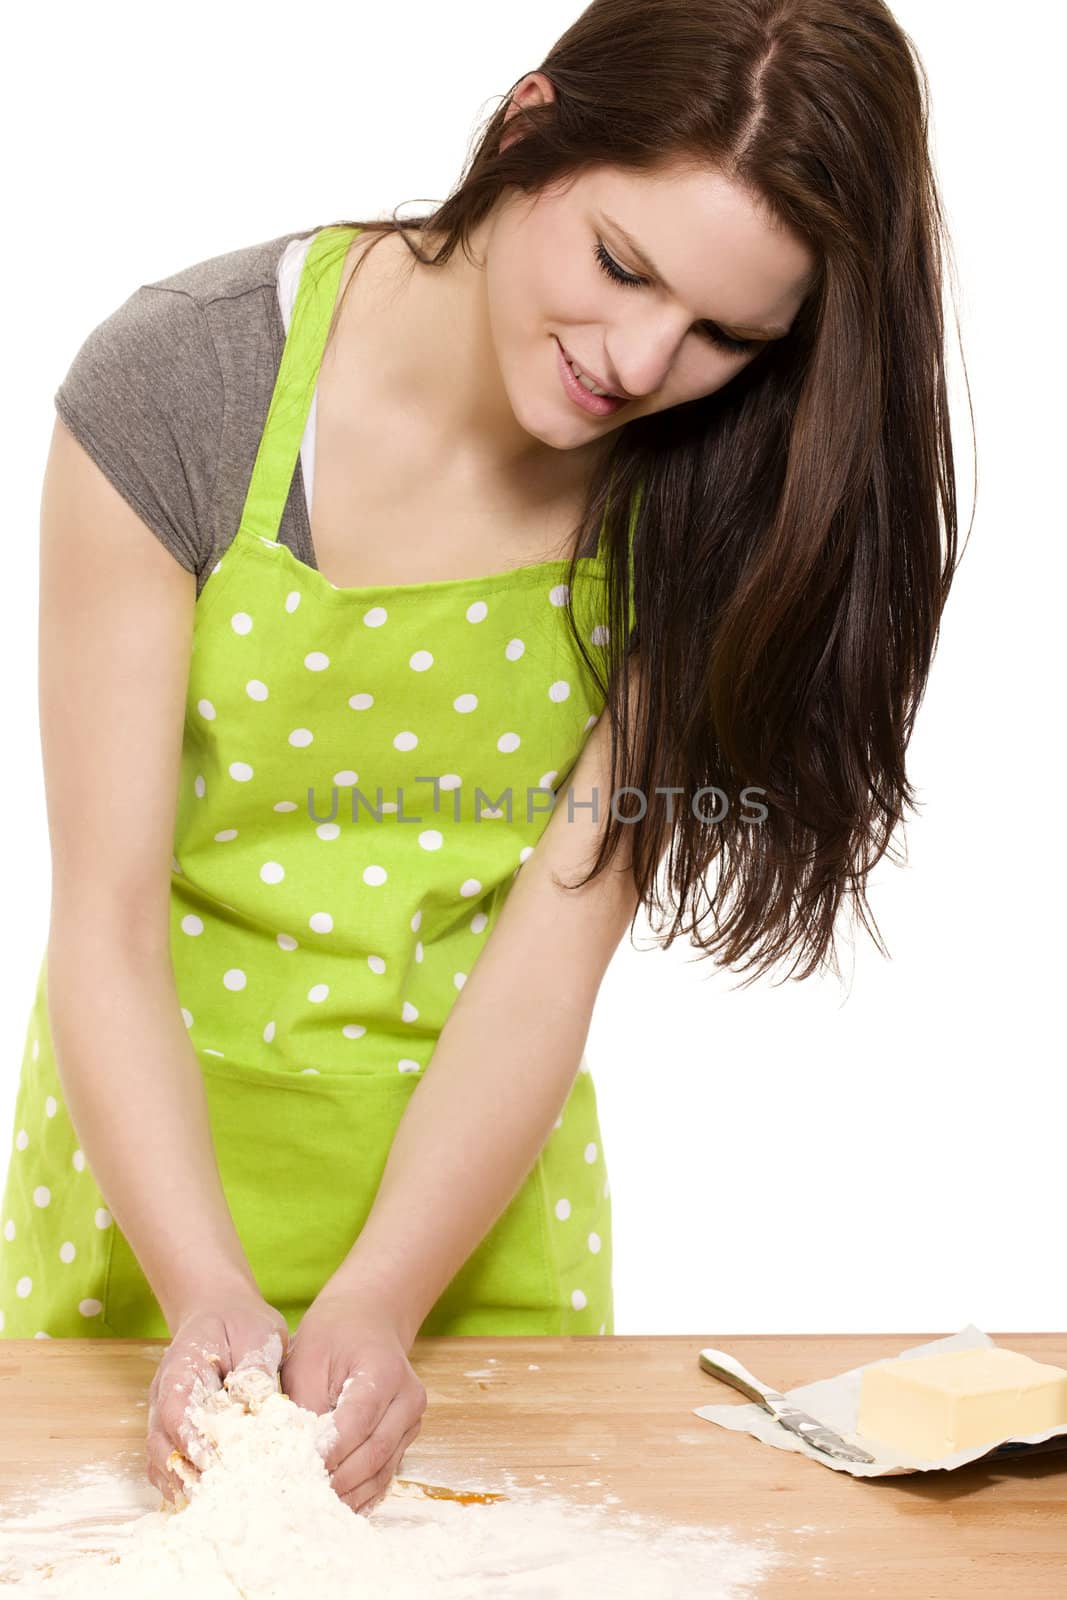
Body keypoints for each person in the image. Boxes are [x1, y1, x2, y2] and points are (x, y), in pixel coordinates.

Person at [0, 0, 964, 1517]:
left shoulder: (704, 508)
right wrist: (201, 1291)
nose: (642, 360)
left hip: (469, 1232)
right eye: (621, 264)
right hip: (146, 1221)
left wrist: (384, 1300)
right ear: (526, 130)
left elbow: (543, 965)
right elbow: (104, 923)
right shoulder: (180, 392)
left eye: (727, 335)